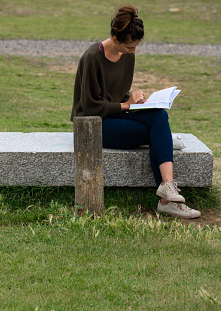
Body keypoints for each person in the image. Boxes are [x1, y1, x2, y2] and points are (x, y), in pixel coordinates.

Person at [70, 4, 200, 219]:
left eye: (136, 47)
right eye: (130, 47)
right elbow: (91, 106)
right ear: (115, 38)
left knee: (159, 115)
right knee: (157, 133)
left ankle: (167, 188)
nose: (133, 51)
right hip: (92, 125)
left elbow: (118, 95)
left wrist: (133, 99)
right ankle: (167, 199)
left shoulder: (127, 55)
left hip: (114, 114)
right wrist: (127, 105)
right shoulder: (92, 57)